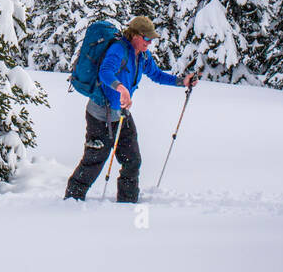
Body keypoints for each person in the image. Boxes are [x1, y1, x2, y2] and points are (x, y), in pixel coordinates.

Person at [64, 16, 199, 203]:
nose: (150, 43)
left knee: (132, 160)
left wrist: (181, 81)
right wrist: (120, 88)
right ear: (135, 35)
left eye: (151, 39)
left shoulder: (143, 56)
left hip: (122, 114)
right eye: (147, 39)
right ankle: (72, 200)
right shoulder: (118, 49)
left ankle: (127, 204)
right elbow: (105, 72)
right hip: (100, 114)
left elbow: (157, 75)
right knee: (94, 161)